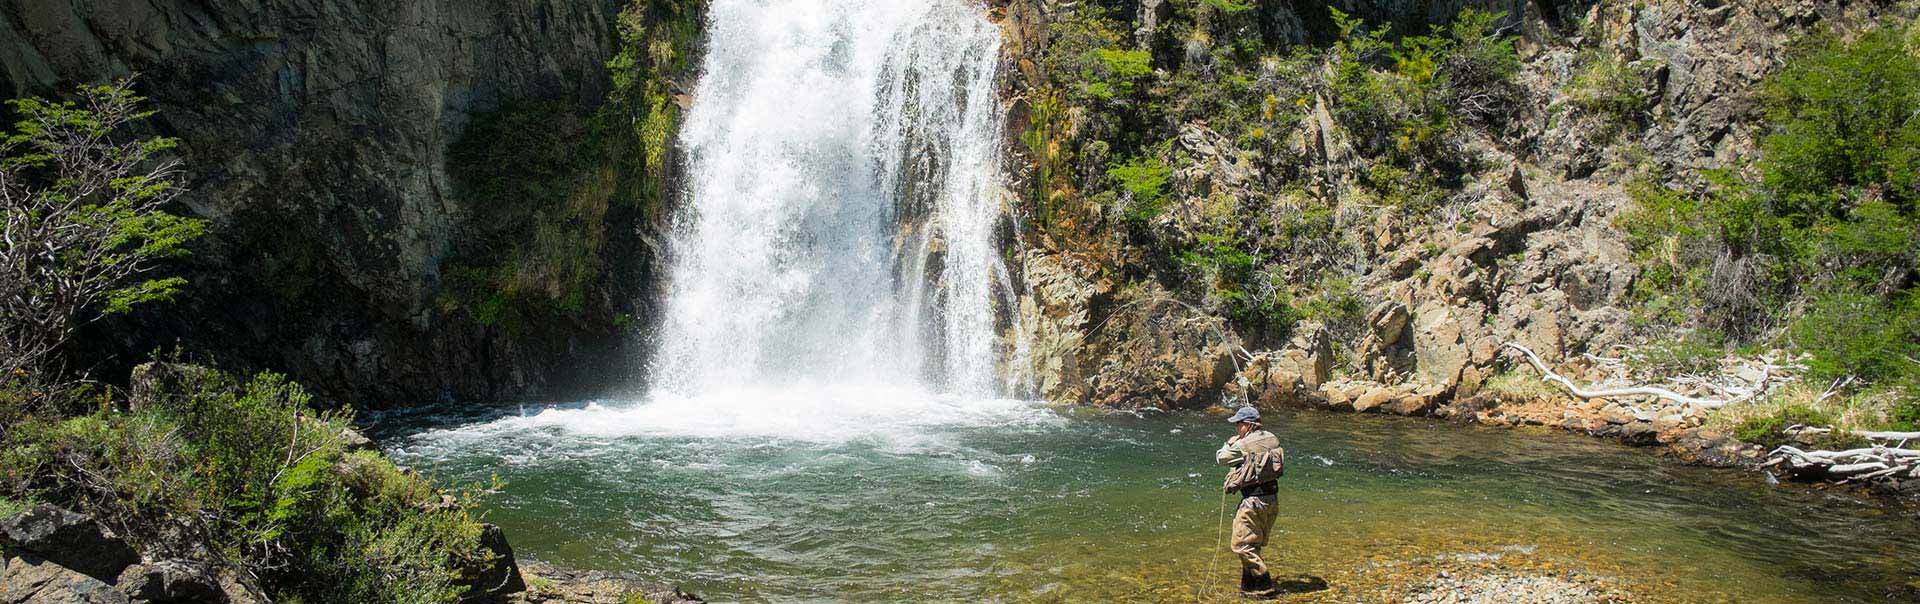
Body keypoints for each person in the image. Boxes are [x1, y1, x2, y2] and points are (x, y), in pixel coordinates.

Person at [1215, 405, 1285, 597]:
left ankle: (1264, 585)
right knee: (1253, 545)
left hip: (1253, 503)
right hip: (1271, 500)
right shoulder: (1272, 438)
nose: (1236, 428)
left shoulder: (1242, 445)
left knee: (1241, 545)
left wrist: (1230, 443)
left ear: (1246, 425)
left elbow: (1221, 459)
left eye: (1238, 424)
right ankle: (1248, 587)